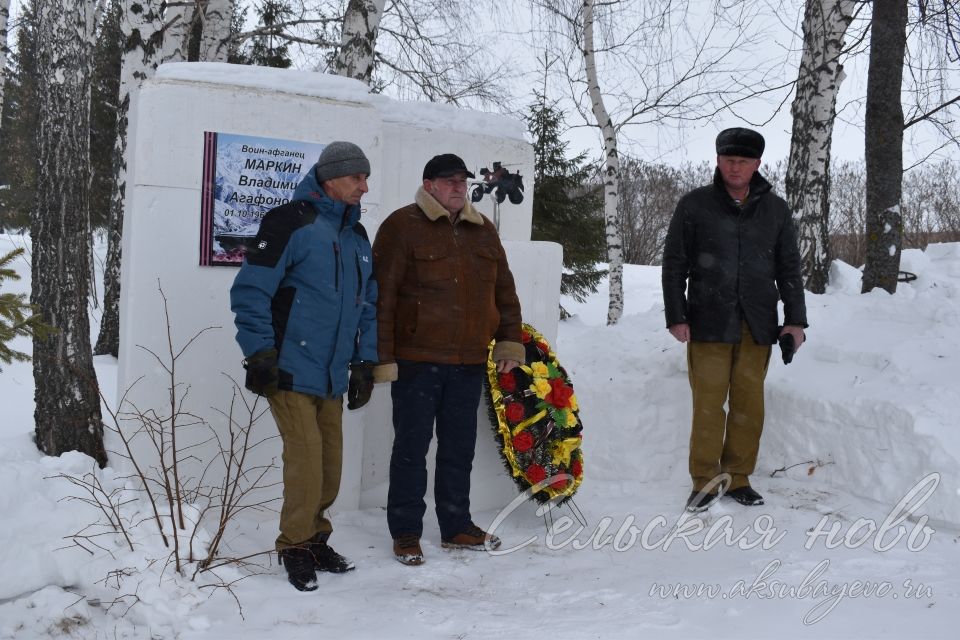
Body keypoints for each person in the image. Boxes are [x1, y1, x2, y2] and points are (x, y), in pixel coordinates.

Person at [230, 141, 393, 591]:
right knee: (304, 459)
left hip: (332, 373)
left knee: (330, 463)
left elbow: (367, 306)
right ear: (330, 179)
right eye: (357, 177)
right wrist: (260, 352)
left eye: (366, 178)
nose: (364, 186)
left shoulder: (357, 237)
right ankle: (294, 545)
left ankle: (317, 537)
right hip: (289, 367)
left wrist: (364, 362)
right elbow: (251, 290)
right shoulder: (290, 222)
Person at [373, 153, 525, 566]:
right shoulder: (401, 226)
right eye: (448, 180)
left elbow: (505, 294)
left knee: (459, 449)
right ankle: (406, 532)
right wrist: (381, 358)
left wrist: (510, 343)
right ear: (429, 184)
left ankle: (456, 524)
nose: (458, 186)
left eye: (462, 180)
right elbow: (382, 297)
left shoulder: (483, 231)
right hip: (417, 361)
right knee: (411, 448)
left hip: (468, 361)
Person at [661, 127, 808, 513]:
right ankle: (705, 481)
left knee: (749, 405)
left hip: (758, 322)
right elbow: (674, 264)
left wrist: (795, 321)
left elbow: (789, 267)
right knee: (708, 405)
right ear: (718, 160)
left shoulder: (775, 209)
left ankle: (738, 477)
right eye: (729, 160)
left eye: (743, 161)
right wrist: (676, 315)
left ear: (757, 163)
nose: (735, 167)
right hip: (708, 320)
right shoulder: (695, 205)